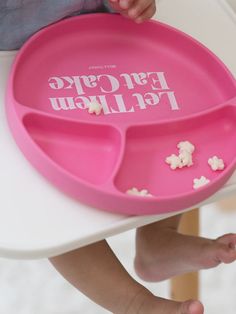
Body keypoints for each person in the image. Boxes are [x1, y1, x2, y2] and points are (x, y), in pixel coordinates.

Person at [1, 1, 235, 313]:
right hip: (16, 62)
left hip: (108, 38)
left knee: (171, 112)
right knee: (49, 201)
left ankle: (158, 239)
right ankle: (132, 303)